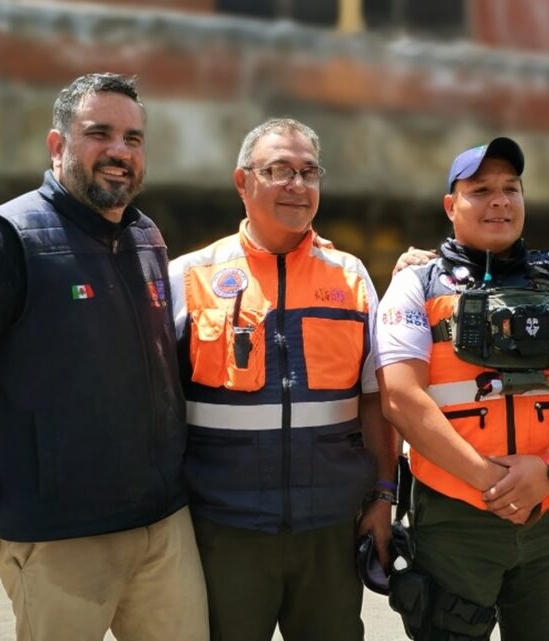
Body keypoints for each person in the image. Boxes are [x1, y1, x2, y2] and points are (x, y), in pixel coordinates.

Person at [0, 73, 208, 641]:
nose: (120, 152)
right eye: (100, 133)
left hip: (163, 526)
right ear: (58, 146)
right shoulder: (4, 240)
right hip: (58, 538)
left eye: (134, 139)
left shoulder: (147, 237)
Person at [375, 137, 549, 641]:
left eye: (511, 188)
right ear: (451, 206)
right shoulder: (417, 285)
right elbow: (400, 397)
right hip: (455, 518)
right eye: (481, 189)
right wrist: (492, 481)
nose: (500, 200)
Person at [168, 117, 398, 641]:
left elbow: (374, 400)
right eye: (279, 170)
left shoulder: (351, 275)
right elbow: (156, 406)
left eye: (309, 171)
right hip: (223, 532)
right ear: (242, 182)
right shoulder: (189, 277)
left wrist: (384, 495)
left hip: (331, 533)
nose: (297, 185)